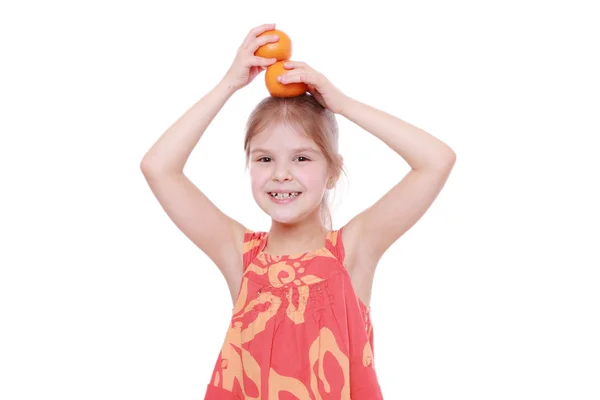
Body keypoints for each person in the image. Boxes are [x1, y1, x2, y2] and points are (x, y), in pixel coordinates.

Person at [141, 23, 456, 400]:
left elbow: (436, 160)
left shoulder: (352, 252)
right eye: (265, 158)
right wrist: (228, 84)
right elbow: (158, 167)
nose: (281, 174)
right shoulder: (242, 257)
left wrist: (343, 104)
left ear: (333, 171)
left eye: (302, 157)